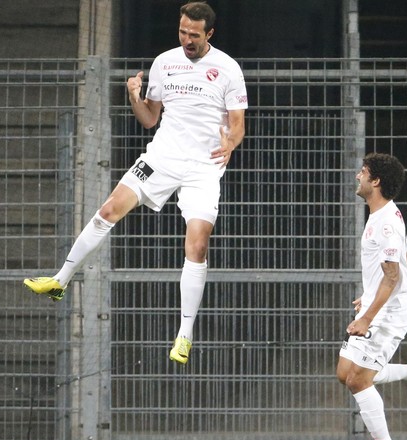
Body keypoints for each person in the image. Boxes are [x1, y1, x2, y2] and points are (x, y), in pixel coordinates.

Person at [23, 1, 248, 365]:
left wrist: (231, 142)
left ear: (209, 34)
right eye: (182, 32)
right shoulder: (164, 62)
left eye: (194, 34)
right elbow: (148, 119)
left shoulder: (227, 69)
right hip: (161, 159)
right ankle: (60, 280)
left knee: (197, 245)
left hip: (203, 168)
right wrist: (133, 95)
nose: (187, 39)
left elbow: (237, 123)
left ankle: (184, 335)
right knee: (109, 208)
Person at [336, 152, 407, 440]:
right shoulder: (384, 215)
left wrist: (367, 316)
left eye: (363, 172)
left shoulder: (384, 224)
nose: (358, 176)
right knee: (345, 373)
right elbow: (405, 261)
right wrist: (368, 297)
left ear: (376, 181)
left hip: (388, 315)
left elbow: (394, 276)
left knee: (358, 379)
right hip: (375, 305)